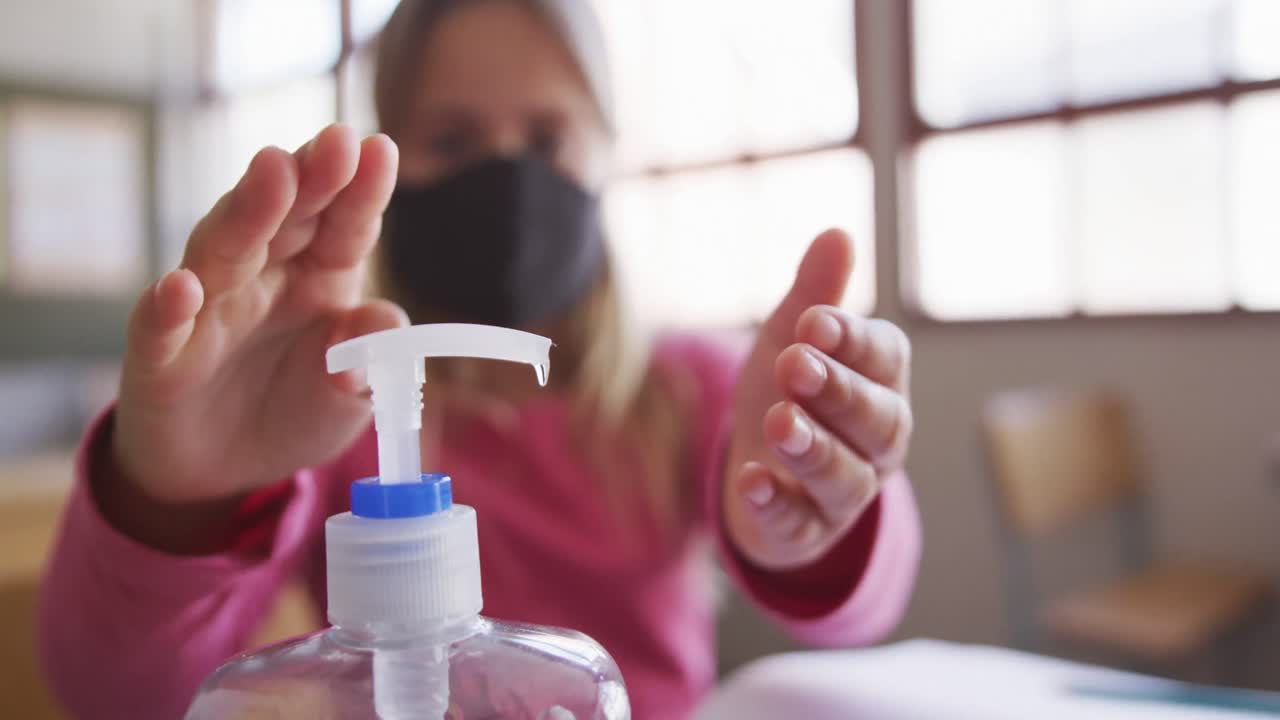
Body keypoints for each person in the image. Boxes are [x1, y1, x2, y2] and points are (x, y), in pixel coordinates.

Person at [37, 0, 921, 717]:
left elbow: (864, 610)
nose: (507, 180)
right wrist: (174, 504)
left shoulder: (687, 389)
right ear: (388, 161)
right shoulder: (328, 409)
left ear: (605, 151)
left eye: (545, 140)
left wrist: (815, 516)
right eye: (452, 141)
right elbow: (118, 693)